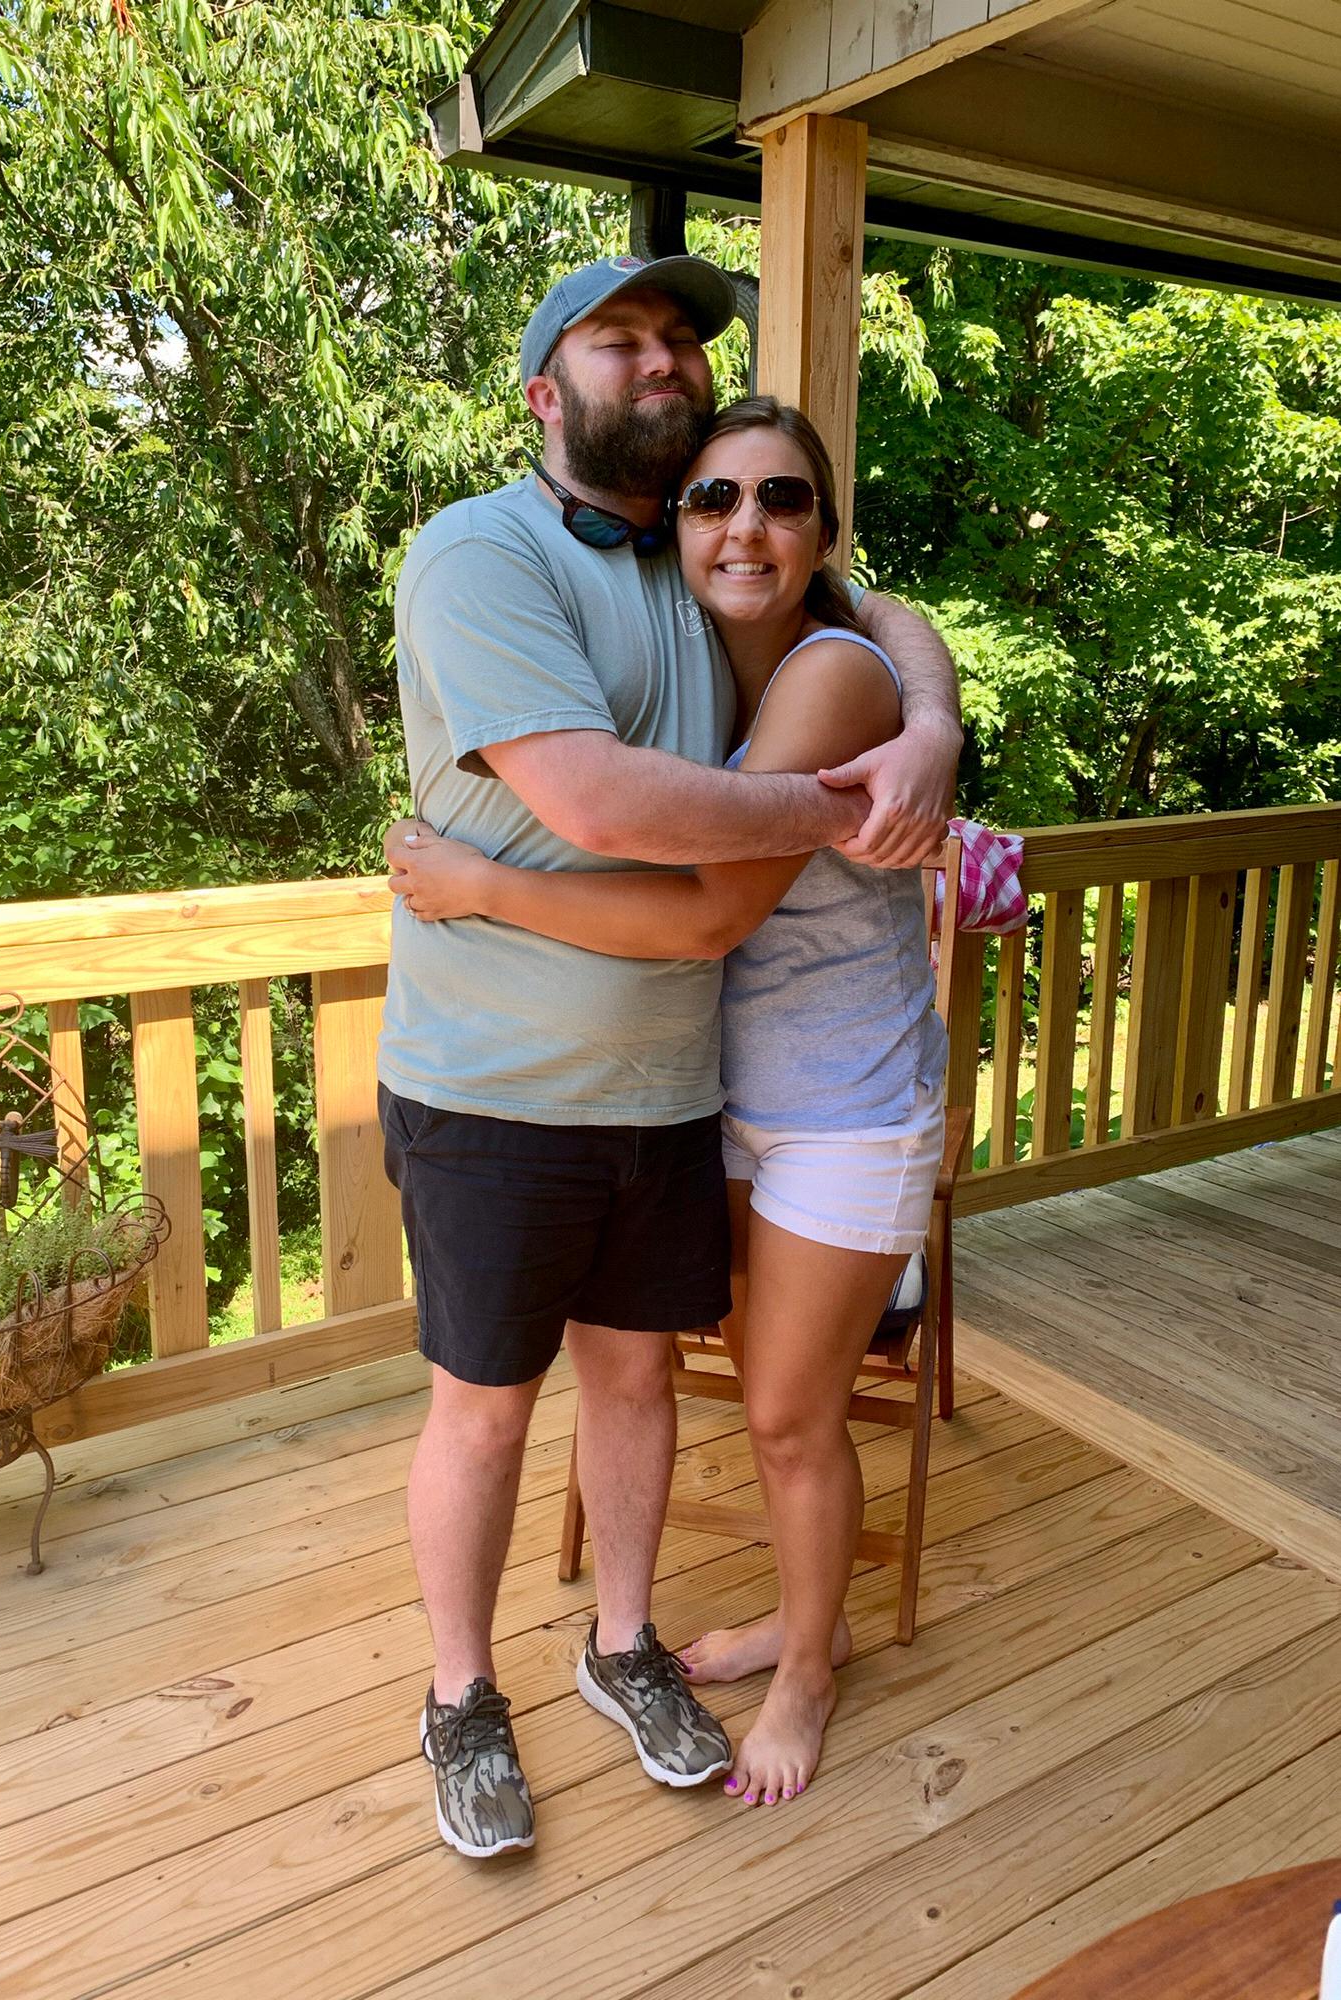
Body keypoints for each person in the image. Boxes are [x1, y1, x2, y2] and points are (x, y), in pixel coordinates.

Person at [377, 253, 961, 1858]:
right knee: (485, 1408)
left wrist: (923, 725)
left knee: (638, 1382)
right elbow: (600, 800)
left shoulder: (697, 566)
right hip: (495, 1082)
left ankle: (624, 1644)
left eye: (682, 339)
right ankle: (460, 1697)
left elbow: (877, 617)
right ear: (542, 392)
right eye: (618, 338)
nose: (662, 359)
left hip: (679, 1095)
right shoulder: (482, 550)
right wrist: (843, 797)